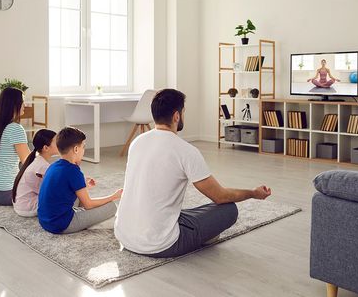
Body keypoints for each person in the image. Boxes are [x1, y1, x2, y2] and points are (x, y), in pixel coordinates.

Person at [114, 89, 272, 258]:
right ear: (176, 116)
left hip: (124, 235)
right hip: (160, 245)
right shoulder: (186, 150)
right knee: (228, 209)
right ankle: (202, 237)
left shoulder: (137, 142)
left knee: (192, 212)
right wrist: (253, 193)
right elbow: (220, 196)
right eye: (183, 112)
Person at [37, 127, 122, 234]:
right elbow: (88, 204)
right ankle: (90, 222)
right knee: (111, 207)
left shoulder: (53, 166)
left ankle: (84, 217)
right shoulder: (73, 171)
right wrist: (114, 196)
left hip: (44, 221)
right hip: (61, 225)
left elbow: (62, 189)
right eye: (83, 147)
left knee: (81, 199)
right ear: (76, 149)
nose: (83, 151)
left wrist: (83, 185)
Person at [0, 87, 30, 206]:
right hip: (6, 192)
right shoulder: (15, 128)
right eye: (22, 101)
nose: (25, 104)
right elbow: (27, 161)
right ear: (14, 105)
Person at [12, 129, 58, 217]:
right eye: (56, 142)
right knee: (69, 196)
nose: (60, 144)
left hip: (20, 205)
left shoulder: (36, 160)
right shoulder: (42, 166)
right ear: (46, 148)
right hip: (27, 208)